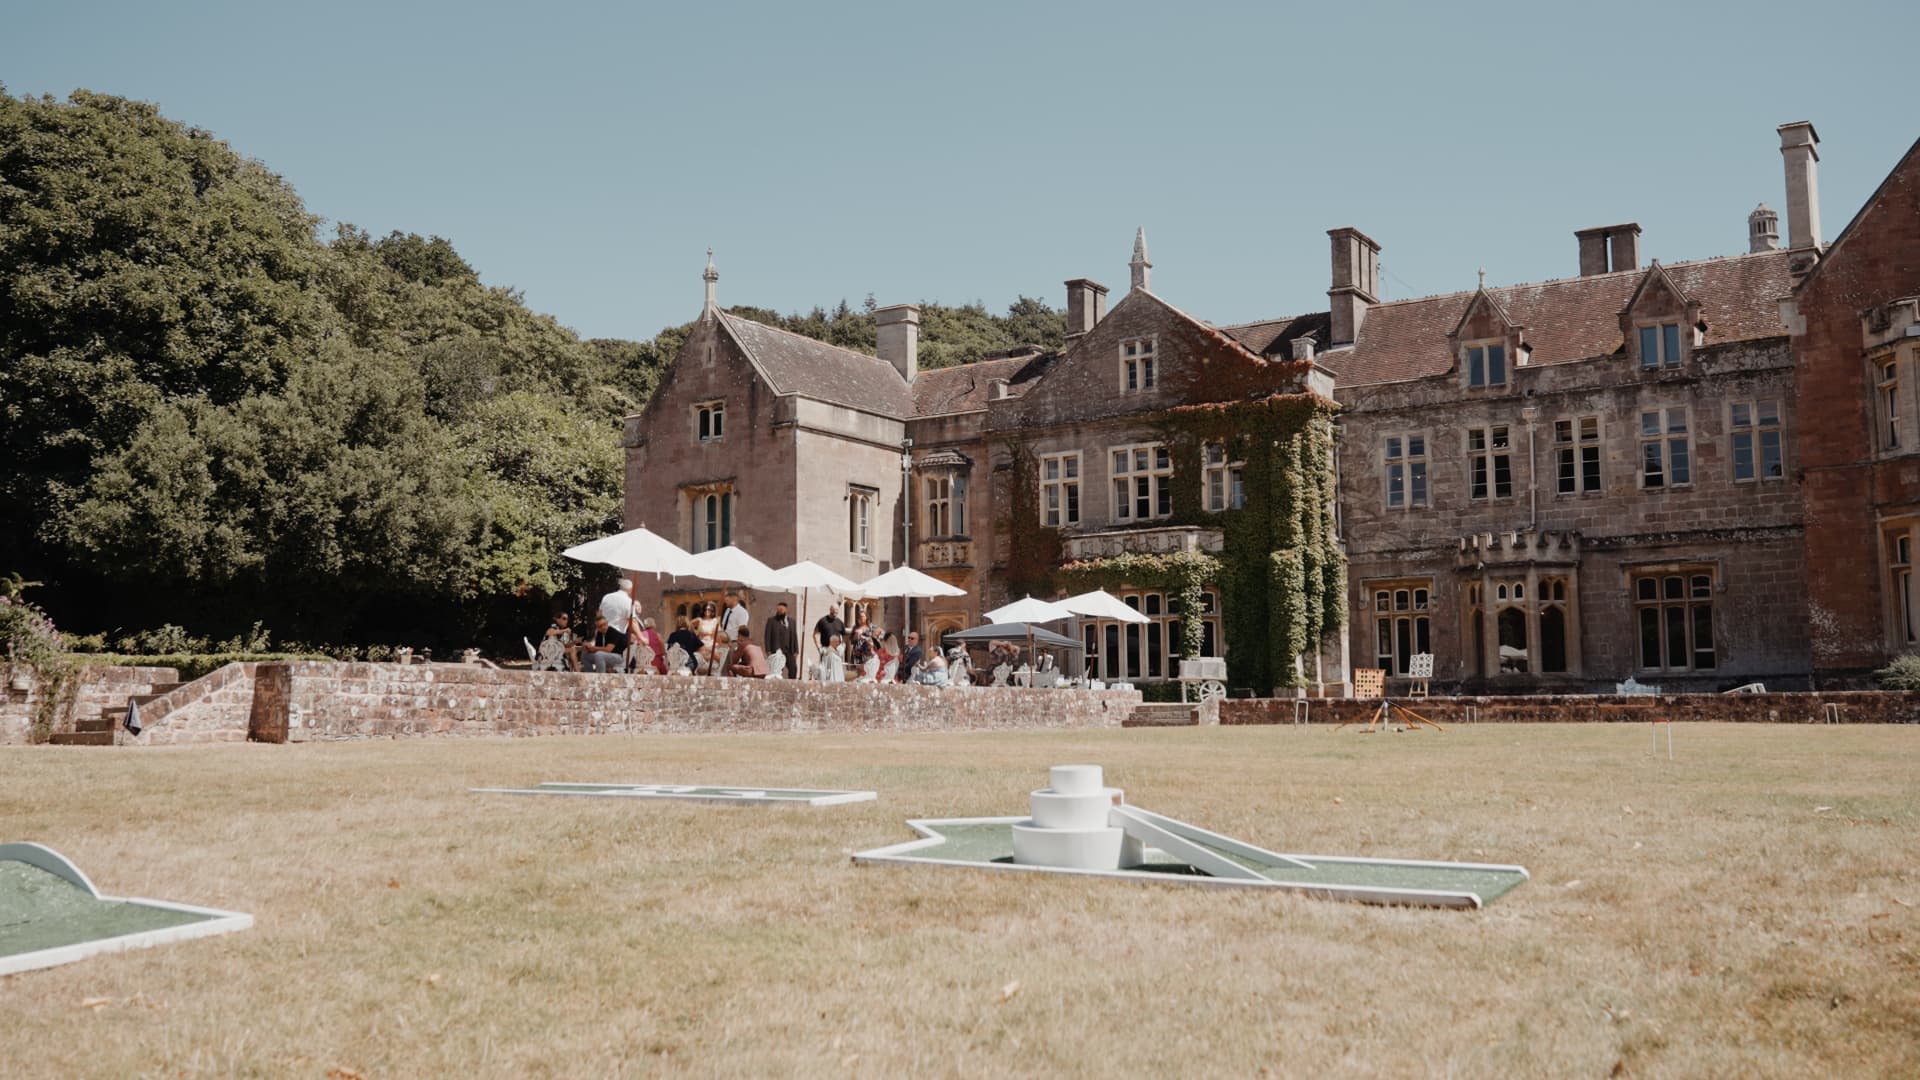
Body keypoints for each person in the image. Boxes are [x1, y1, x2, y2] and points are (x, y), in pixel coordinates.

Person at [763, 601, 800, 679]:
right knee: (777, 670)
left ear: (786, 610)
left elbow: (794, 635)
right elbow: (767, 636)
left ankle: (791, 685)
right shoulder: (771, 621)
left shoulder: (791, 622)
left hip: (789, 650)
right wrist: (768, 650)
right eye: (778, 609)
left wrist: (796, 650)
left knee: (793, 668)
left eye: (781, 610)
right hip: (777, 650)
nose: (779, 611)